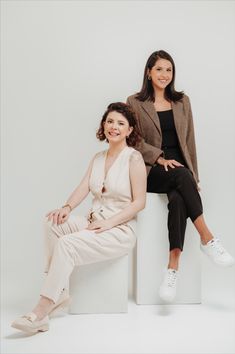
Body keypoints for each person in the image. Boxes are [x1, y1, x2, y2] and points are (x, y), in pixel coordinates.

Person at [11, 102, 146, 333]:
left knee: (67, 244)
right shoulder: (98, 157)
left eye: (121, 124)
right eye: (110, 121)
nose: (114, 127)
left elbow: (139, 203)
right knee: (52, 223)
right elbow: (84, 187)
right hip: (94, 221)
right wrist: (67, 207)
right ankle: (60, 290)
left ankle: (42, 310)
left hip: (119, 230)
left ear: (129, 130)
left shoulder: (133, 159)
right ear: (104, 125)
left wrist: (109, 223)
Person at [127, 50, 234, 302]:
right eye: (159, 69)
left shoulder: (182, 101)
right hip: (152, 171)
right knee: (178, 176)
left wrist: (194, 178)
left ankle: (172, 269)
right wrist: (160, 158)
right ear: (148, 72)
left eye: (169, 70)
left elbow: (189, 142)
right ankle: (207, 238)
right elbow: (134, 140)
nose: (165, 75)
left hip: (180, 172)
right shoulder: (134, 102)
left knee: (178, 199)